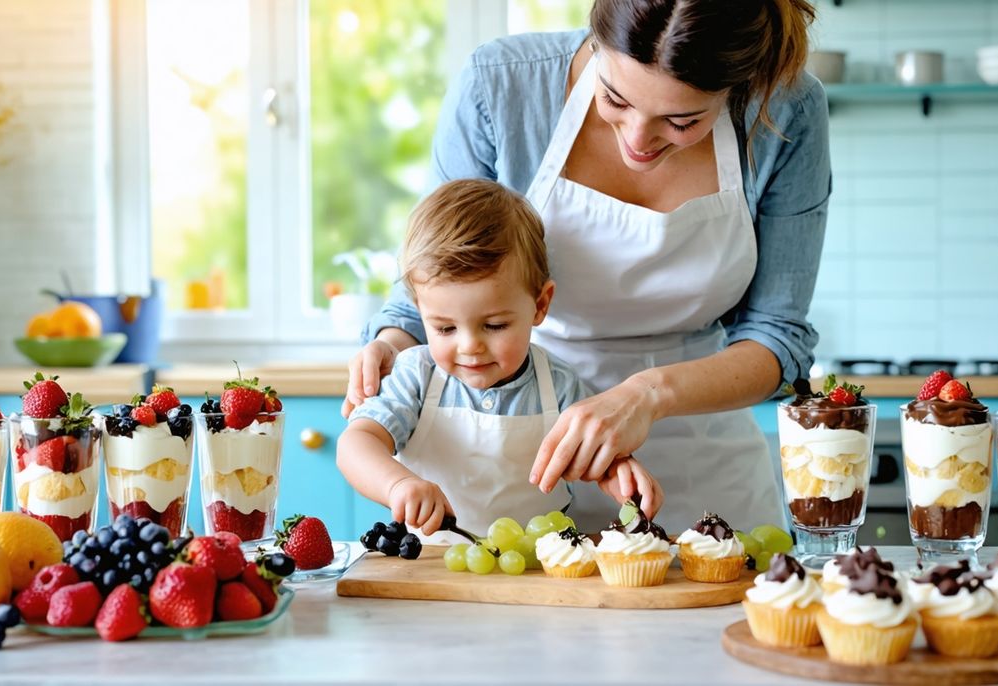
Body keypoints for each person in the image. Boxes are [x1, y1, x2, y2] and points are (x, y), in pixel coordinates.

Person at [344, 0, 828, 534]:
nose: (637, 142)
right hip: (524, 472)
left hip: (707, 463)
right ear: (597, 41)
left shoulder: (787, 109)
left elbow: (777, 336)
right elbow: (437, 271)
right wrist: (392, 344)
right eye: (614, 98)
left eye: (681, 120)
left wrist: (646, 395)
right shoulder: (500, 84)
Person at [337, 178, 663, 537]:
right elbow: (356, 443)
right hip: (429, 562)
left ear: (540, 305)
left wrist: (618, 471)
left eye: (494, 325)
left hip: (537, 563)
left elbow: (595, 453)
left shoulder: (559, 384)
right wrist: (397, 484)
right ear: (420, 311)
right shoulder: (416, 375)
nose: (469, 346)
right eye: (445, 328)